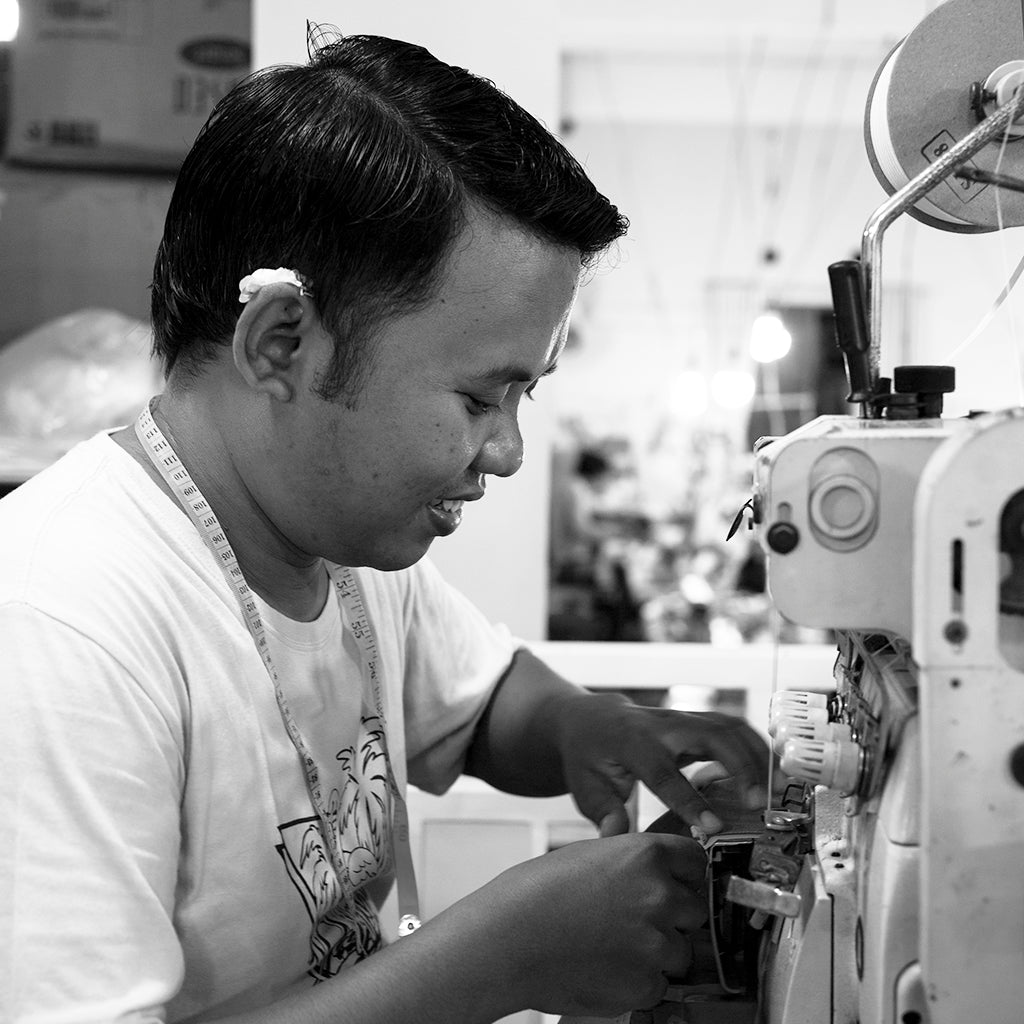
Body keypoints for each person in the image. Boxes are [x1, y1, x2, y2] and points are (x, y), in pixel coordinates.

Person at [0, 29, 770, 1024]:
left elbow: (481, 700)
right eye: (479, 396)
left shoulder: (334, 533)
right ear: (282, 342)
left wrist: (593, 726)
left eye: (524, 394)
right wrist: (503, 955)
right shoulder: (59, 624)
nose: (506, 452)